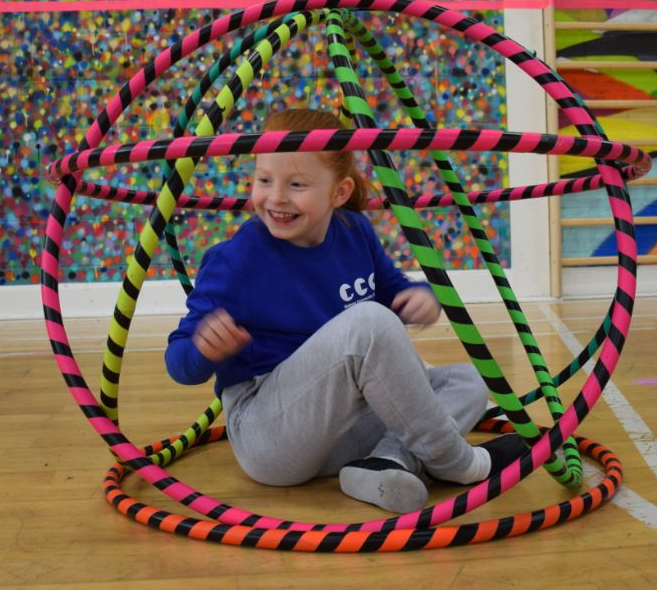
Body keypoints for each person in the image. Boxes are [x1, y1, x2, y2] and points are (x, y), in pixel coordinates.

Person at [165, 107, 526, 513]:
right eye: (263, 180)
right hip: (270, 435)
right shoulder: (235, 261)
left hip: (346, 427)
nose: (276, 197)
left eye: (297, 184)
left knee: (467, 381)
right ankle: (460, 464)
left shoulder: (355, 233)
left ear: (338, 193)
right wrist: (201, 349)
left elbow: (394, 294)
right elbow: (178, 363)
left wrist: (421, 297)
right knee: (368, 323)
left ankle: (387, 462)